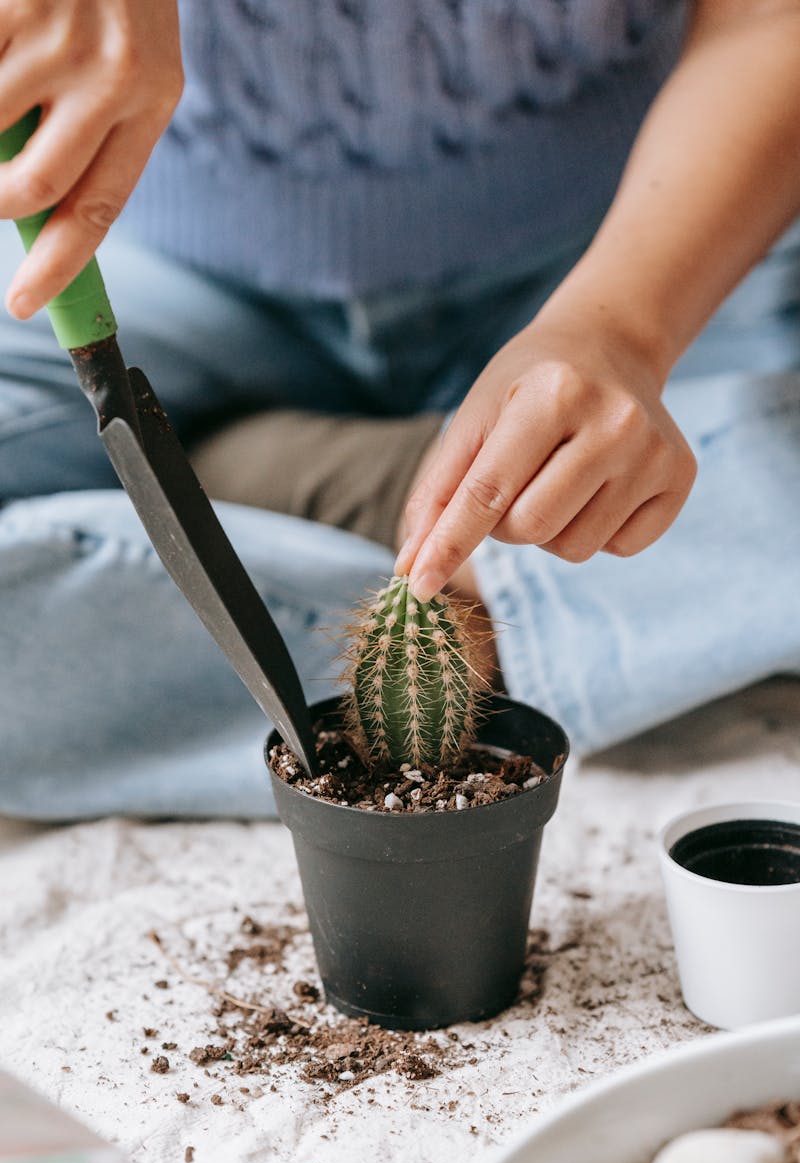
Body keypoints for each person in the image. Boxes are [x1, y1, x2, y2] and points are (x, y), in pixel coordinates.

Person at [0, 0, 798, 819]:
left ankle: (270, 491)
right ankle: (499, 534)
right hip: (155, 262)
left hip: (631, 236)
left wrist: (623, 330)